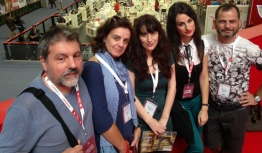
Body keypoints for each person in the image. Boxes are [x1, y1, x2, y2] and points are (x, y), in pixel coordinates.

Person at [0, 26, 96, 152]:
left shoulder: (77, 79)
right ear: (44, 62)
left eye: (76, 56)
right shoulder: (24, 108)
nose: (73, 65)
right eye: (61, 58)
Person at [202, 3, 262, 153]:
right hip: (212, 107)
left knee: (233, 149)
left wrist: (256, 98)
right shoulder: (204, 42)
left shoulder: (249, 48)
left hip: (237, 111)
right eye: (222, 21)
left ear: (239, 23)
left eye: (232, 21)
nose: (227, 25)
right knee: (212, 144)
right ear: (214, 23)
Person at [82, 15, 141, 153]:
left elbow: (128, 99)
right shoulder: (93, 68)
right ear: (104, 37)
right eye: (116, 38)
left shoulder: (118, 64)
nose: (121, 44)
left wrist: (136, 127)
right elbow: (100, 118)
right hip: (112, 145)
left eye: (125, 41)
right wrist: (122, 146)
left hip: (127, 137)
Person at [166, 2, 209, 153]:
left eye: (190, 20)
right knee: (197, 147)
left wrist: (205, 106)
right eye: (181, 24)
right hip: (179, 103)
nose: (188, 27)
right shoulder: (168, 49)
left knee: (195, 144)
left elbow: (204, 78)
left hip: (198, 100)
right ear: (174, 27)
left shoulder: (201, 44)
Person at [125, 15, 176, 138]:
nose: (149, 39)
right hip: (141, 119)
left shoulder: (166, 54)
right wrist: (150, 121)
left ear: (159, 33)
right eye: (144, 35)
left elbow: (172, 87)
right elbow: (130, 94)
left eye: (153, 33)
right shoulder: (131, 60)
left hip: (164, 116)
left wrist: (164, 118)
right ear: (137, 37)